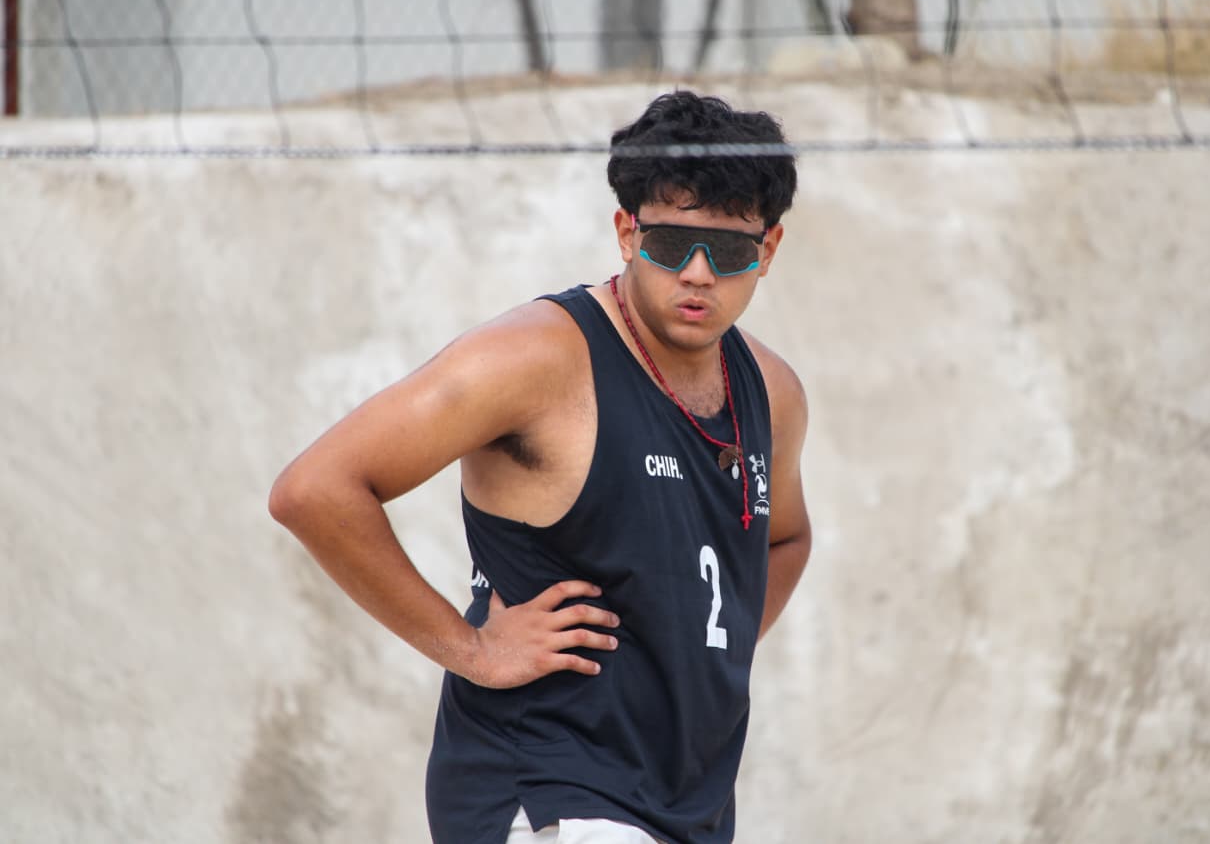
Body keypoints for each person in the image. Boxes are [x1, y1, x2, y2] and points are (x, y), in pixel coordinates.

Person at [268, 90, 811, 844]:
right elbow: (314, 489)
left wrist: (704, 653)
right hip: (547, 789)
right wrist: (473, 650)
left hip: (689, 802)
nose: (696, 273)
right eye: (669, 243)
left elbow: (787, 539)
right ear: (626, 233)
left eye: (727, 252)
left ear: (768, 250)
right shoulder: (534, 359)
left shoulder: (771, 391)